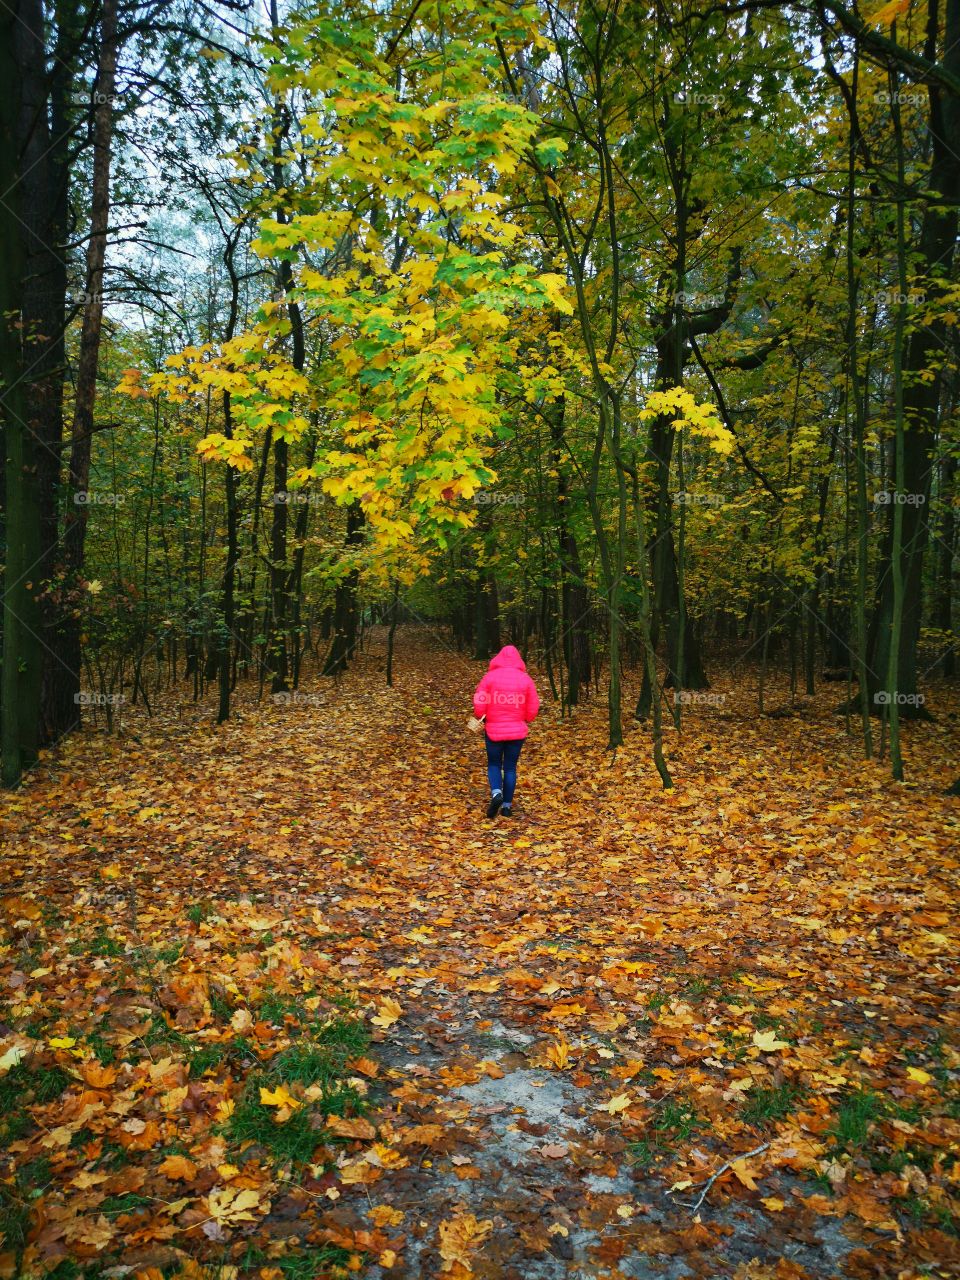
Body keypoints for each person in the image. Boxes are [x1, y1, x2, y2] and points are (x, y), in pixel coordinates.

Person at [472, 644, 540, 819]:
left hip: (493, 729)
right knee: (510, 767)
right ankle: (507, 807)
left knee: (494, 764)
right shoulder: (525, 679)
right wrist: (526, 718)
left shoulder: (489, 678)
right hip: (517, 731)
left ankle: (496, 794)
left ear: (498, 659)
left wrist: (481, 715)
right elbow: (533, 706)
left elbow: (479, 700)